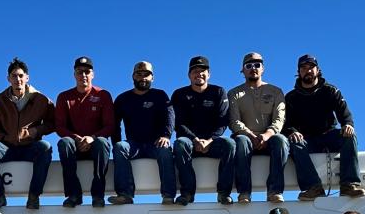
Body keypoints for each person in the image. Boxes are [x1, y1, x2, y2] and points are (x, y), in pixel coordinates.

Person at [285, 54, 365, 199]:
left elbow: (344, 113)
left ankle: (349, 184)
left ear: (318, 70)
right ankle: (313, 187)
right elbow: (287, 123)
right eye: (303, 68)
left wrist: (348, 124)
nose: (308, 70)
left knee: (350, 136)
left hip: (329, 135)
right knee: (294, 143)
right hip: (306, 139)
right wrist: (292, 132)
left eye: (311, 67)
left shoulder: (331, 90)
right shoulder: (290, 97)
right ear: (299, 71)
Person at [0, 57, 55, 211]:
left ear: (27, 77)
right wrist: (4, 137)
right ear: (8, 79)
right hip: (7, 148)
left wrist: (36, 131)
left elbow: (53, 123)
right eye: (14, 76)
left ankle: (34, 196)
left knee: (45, 147)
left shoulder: (41, 99)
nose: (18, 79)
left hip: (30, 148)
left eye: (21, 75)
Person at [171, 55, 234, 205]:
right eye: (195, 71)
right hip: (190, 142)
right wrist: (196, 140)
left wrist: (209, 140)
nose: (199, 73)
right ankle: (187, 193)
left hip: (212, 141)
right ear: (189, 75)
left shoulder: (218, 92)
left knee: (230, 144)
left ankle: (224, 193)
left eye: (203, 70)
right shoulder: (179, 94)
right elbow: (178, 123)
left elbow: (223, 121)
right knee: (180, 144)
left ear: (209, 74)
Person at [111, 60, 176, 205]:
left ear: (152, 77)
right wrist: (116, 142)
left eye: (146, 74)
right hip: (134, 144)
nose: (143, 78)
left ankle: (168, 195)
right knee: (120, 147)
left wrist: (166, 135)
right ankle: (125, 194)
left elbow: (169, 115)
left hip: (156, 143)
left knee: (166, 151)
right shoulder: (123, 98)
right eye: (139, 74)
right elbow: (114, 124)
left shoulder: (160, 95)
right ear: (133, 77)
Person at [228, 52, 289, 203]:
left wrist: (266, 135)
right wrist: (252, 136)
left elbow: (279, 119)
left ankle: (275, 191)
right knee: (241, 142)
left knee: (281, 141)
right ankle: (244, 192)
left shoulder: (276, 91)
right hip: (246, 137)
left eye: (257, 65)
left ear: (263, 69)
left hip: (269, 137)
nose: (253, 68)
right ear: (243, 70)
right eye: (249, 65)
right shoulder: (234, 93)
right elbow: (234, 121)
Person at [55, 56, 114, 208]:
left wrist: (92, 138)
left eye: (87, 71)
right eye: (79, 72)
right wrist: (76, 138)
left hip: (95, 145)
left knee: (103, 142)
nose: (83, 75)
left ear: (93, 74)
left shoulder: (103, 95)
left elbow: (109, 125)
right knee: (64, 142)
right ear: (74, 74)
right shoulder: (64, 97)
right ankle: (74, 195)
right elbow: (59, 126)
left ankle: (98, 195)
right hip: (74, 145)